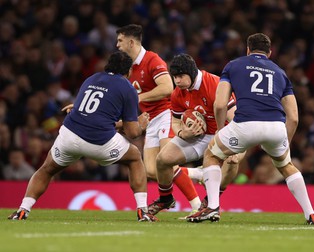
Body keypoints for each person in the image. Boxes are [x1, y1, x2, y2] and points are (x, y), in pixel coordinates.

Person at [183, 33, 314, 224]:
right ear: (269, 53)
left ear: (247, 49)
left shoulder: (233, 65)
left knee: (212, 155)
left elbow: (220, 104)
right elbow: (294, 117)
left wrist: (219, 131)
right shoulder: (280, 72)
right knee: (286, 166)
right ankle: (311, 214)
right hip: (276, 127)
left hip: (246, 124)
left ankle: (212, 207)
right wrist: (285, 143)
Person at [8, 51, 157, 222]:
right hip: (99, 142)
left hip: (70, 134)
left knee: (46, 169)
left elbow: (95, 116)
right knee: (135, 158)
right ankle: (142, 211)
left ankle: (22, 210)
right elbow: (132, 133)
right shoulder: (127, 88)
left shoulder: (92, 79)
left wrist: (120, 124)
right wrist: (141, 125)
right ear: (129, 70)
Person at [115, 24, 201, 212]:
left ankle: (197, 206)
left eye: (120, 41)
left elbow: (166, 88)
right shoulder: (127, 67)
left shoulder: (152, 60)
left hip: (166, 114)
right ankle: (197, 173)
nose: (117, 45)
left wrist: (137, 98)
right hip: (150, 119)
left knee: (166, 160)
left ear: (131, 42)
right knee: (151, 170)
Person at [150, 54, 243, 218]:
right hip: (196, 137)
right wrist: (182, 133)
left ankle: (210, 202)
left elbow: (235, 119)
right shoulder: (178, 93)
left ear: (191, 73)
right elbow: (176, 122)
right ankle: (165, 198)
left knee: (233, 163)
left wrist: (236, 147)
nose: (177, 81)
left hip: (223, 134)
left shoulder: (215, 84)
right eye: (174, 77)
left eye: (180, 76)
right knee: (162, 159)